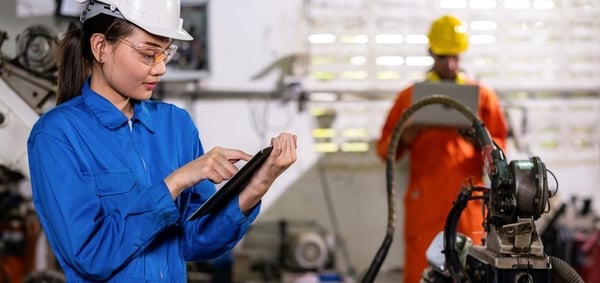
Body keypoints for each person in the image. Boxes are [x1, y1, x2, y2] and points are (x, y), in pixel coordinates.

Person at [26, 0, 297, 281]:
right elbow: (90, 255)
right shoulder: (57, 135)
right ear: (100, 47)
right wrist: (175, 183)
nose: (161, 68)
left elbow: (194, 240)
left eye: (166, 53)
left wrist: (257, 186)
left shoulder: (175, 125)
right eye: (147, 55)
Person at [375, 15, 508, 283]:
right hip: (425, 203)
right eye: (443, 57)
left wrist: (478, 140)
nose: (449, 64)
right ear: (431, 53)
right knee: (419, 273)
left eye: (455, 57)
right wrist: (407, 134)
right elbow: (383, 149)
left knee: (473, 271)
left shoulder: (482, 96)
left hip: (469, 205)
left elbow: (500, 151)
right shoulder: (409, 98)